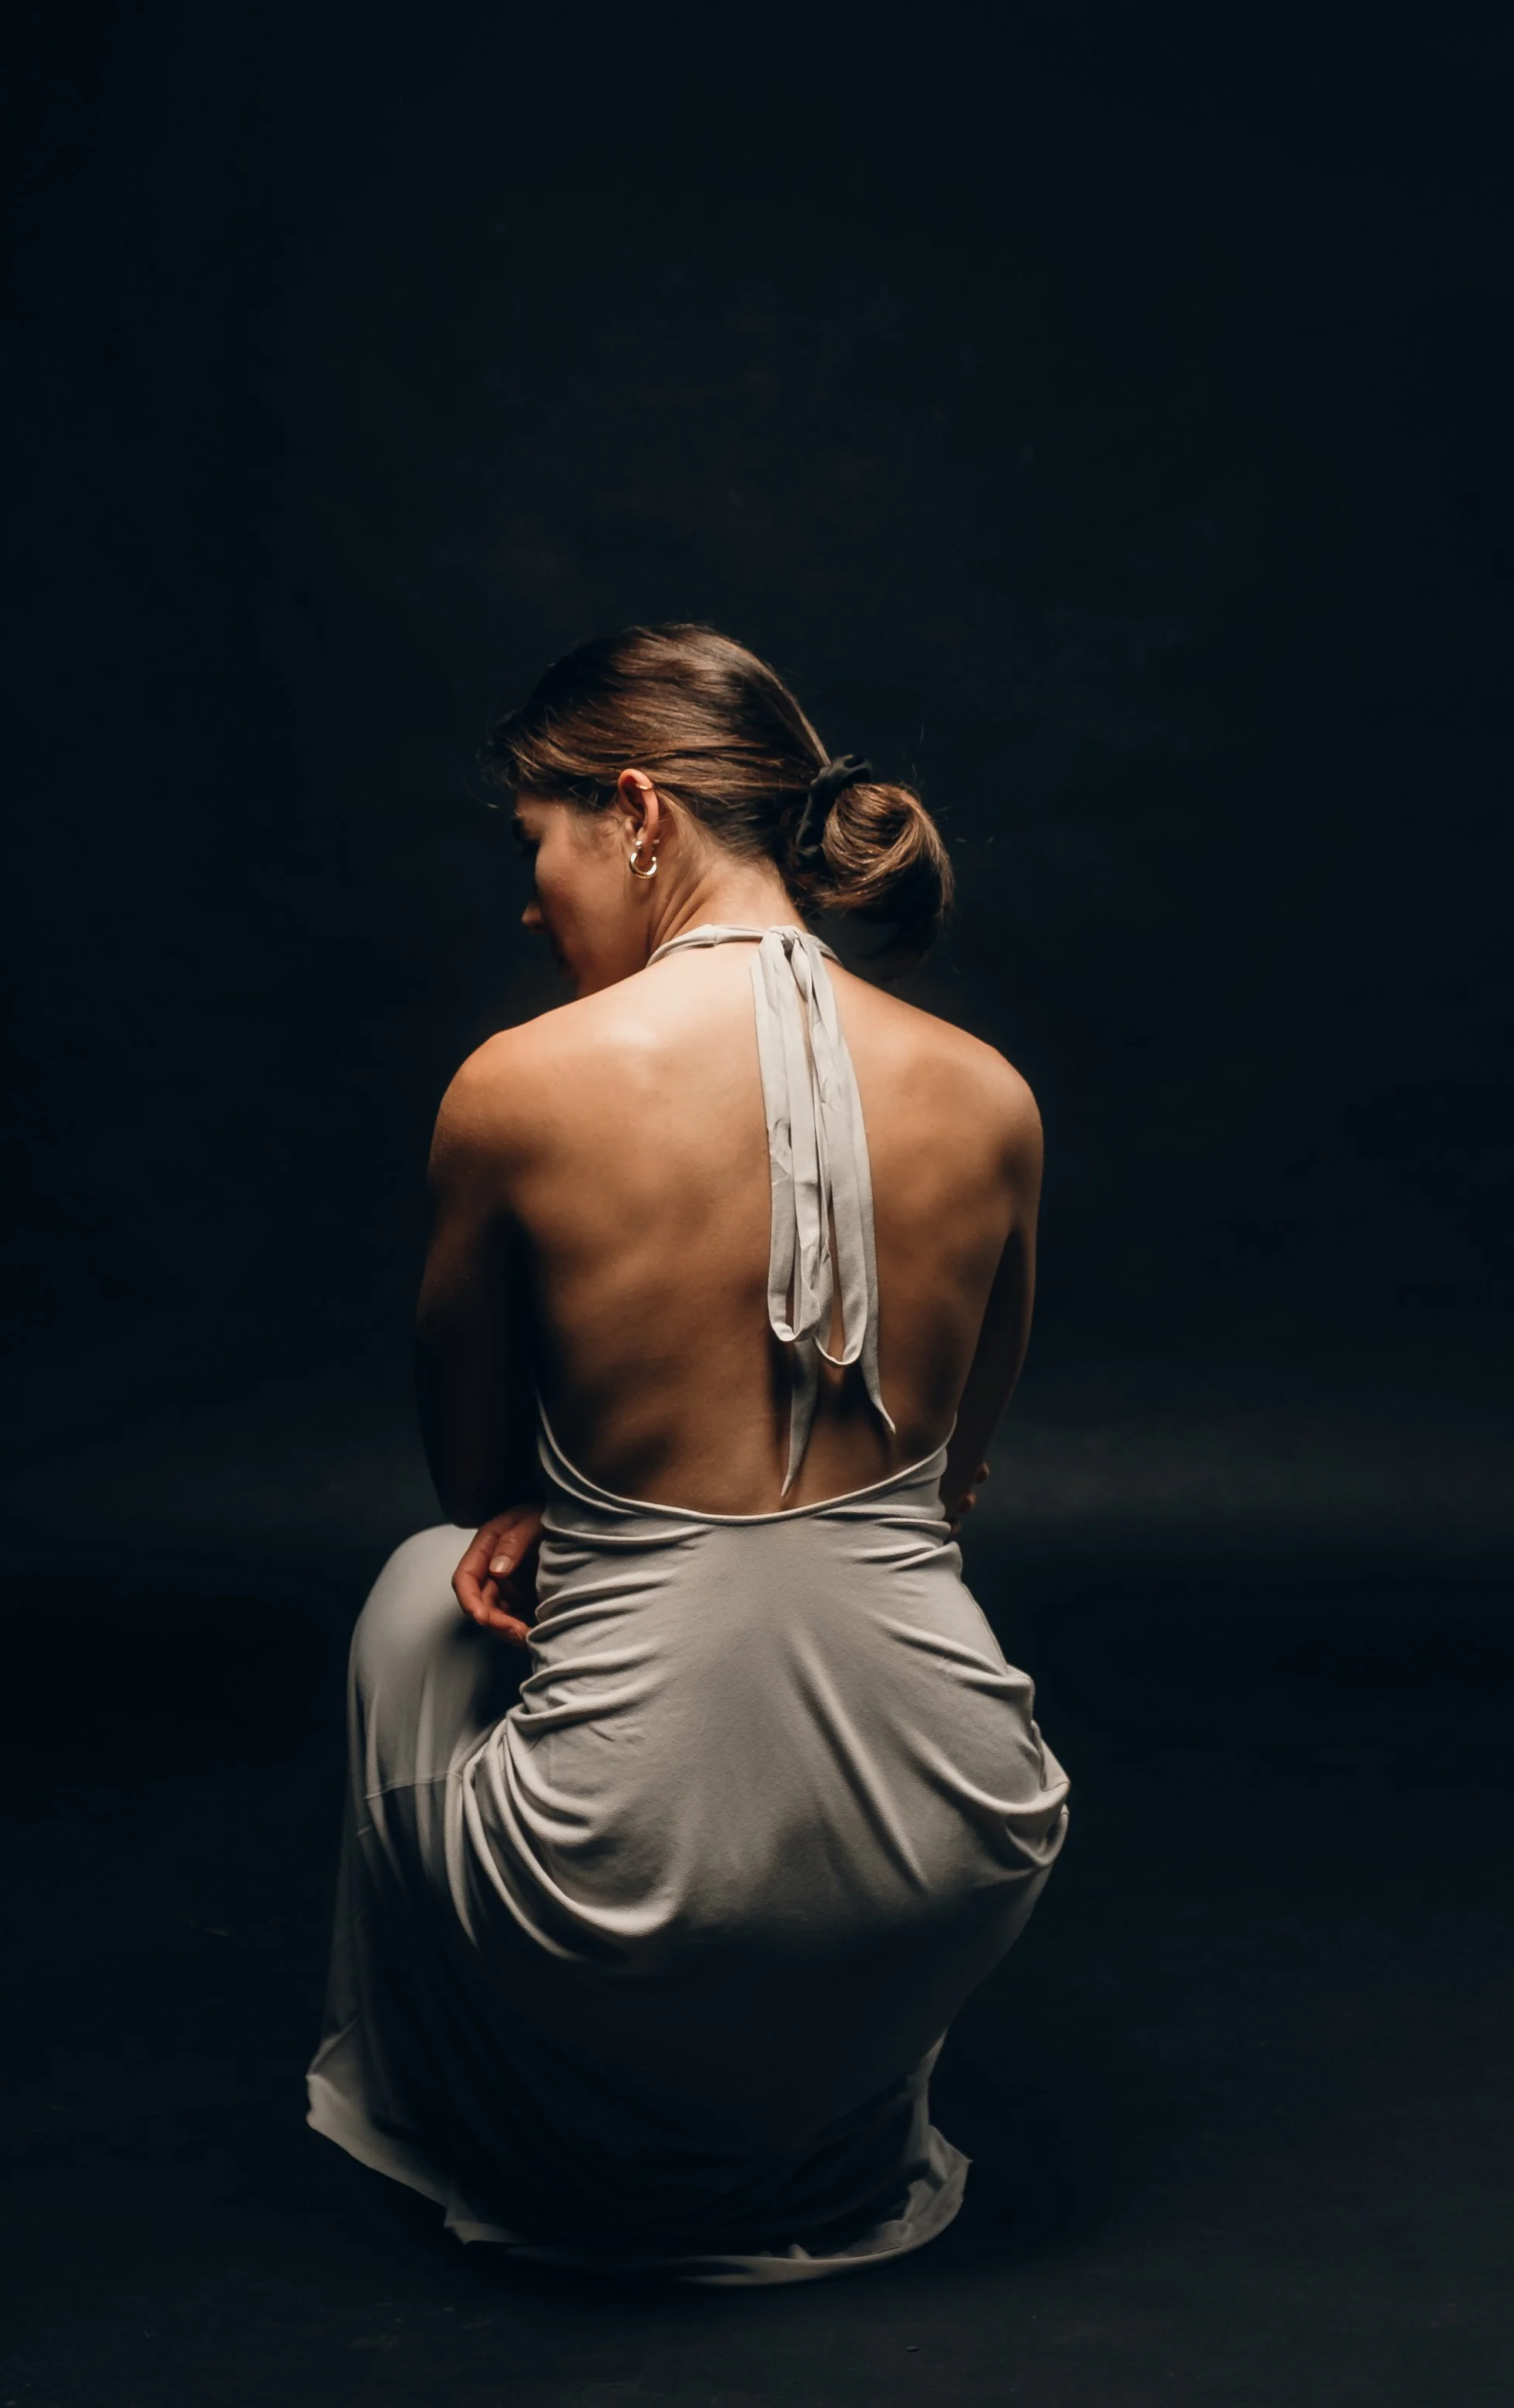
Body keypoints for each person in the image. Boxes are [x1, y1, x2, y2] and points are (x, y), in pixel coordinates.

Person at [307, 624, 1069, 2283]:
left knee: (409, 1599)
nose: (530, 902)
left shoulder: (515, 1087)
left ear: (635, 812)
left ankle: (528, 2128)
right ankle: (813, 2124)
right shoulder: (991, 1095)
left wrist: (528, 1507)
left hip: (628, 1869)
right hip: (955, 1836)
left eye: (539, 846)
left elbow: (465, 1477)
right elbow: (949, 1487)